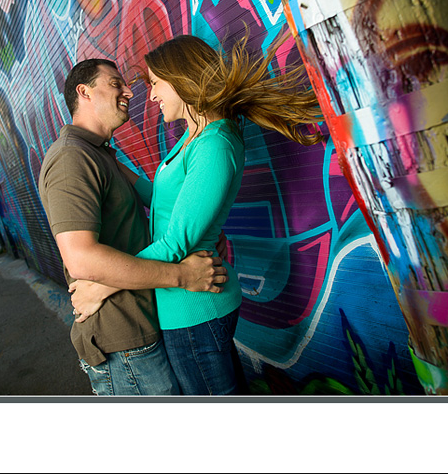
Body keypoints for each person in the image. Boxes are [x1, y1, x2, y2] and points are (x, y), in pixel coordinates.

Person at [70, 35, 323, 395]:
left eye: (156, 84)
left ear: (181, 78)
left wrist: (103, 286)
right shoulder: (195, 135)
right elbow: (163, 198)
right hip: (182, 304)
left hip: (194, 308)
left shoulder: (215, 144)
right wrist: (111, 163)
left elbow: (176, 243)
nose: (152, 95)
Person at [38, 58, 229, 396]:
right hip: (122, 344)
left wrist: (203, 221)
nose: (129, 90)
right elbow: (81, 259)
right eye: (115, 83)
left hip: (141, 328)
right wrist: (184, 275)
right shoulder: (71, 159)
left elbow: (162, 200)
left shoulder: (98, 155)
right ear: (84, 92)